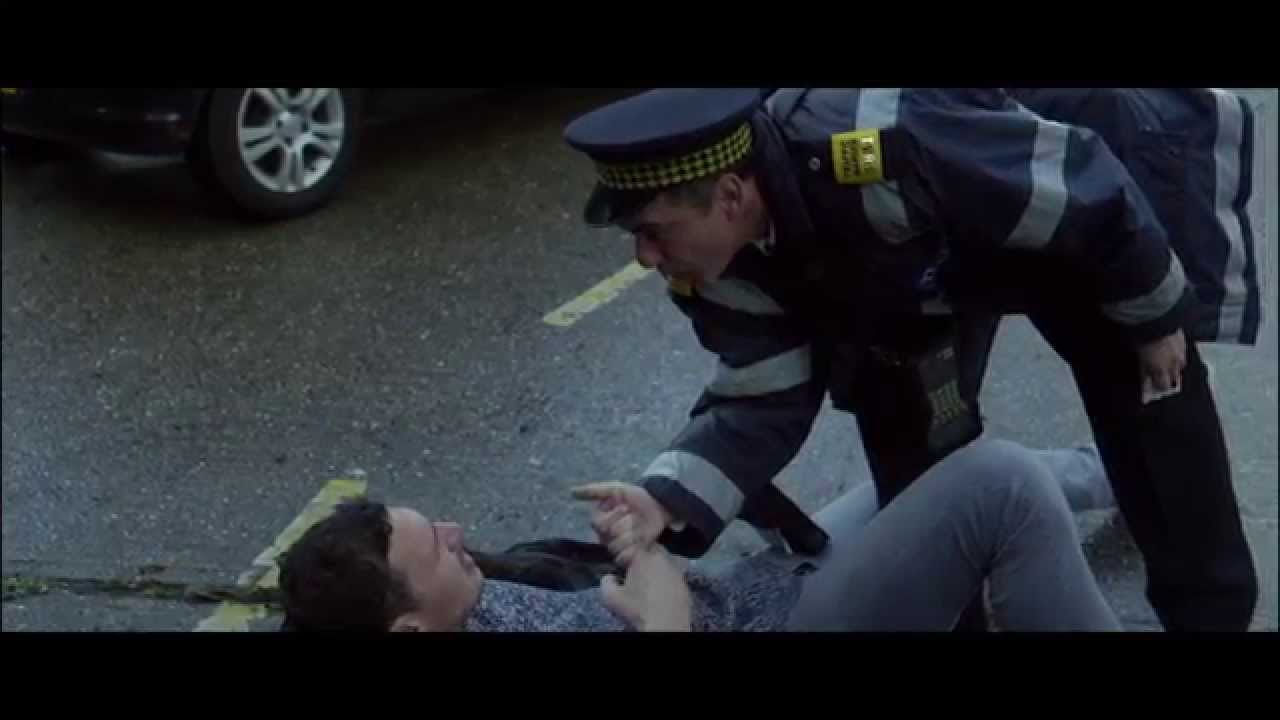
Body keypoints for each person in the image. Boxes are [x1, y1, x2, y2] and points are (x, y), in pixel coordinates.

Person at [559, 88, 1261, 632]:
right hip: (909, 280)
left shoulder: (882, 142)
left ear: (731, 196)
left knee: (1156, 418)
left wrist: (1153, 315)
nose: (644, 257)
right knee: (919, 479)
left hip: (1058, 225)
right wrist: (665, 497)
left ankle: (1210, 616)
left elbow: (1081, 186)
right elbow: (758, 395)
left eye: (653, 231)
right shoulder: (716, 260)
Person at [278, 440, 1121, 631]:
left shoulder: (451, 607)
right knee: (998, 485)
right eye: (438, 545)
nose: (458, 532)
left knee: (931, 464)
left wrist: (645, 531)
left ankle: (1138, 472)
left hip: (753, 591)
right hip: (786, 625)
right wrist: (667, 615)